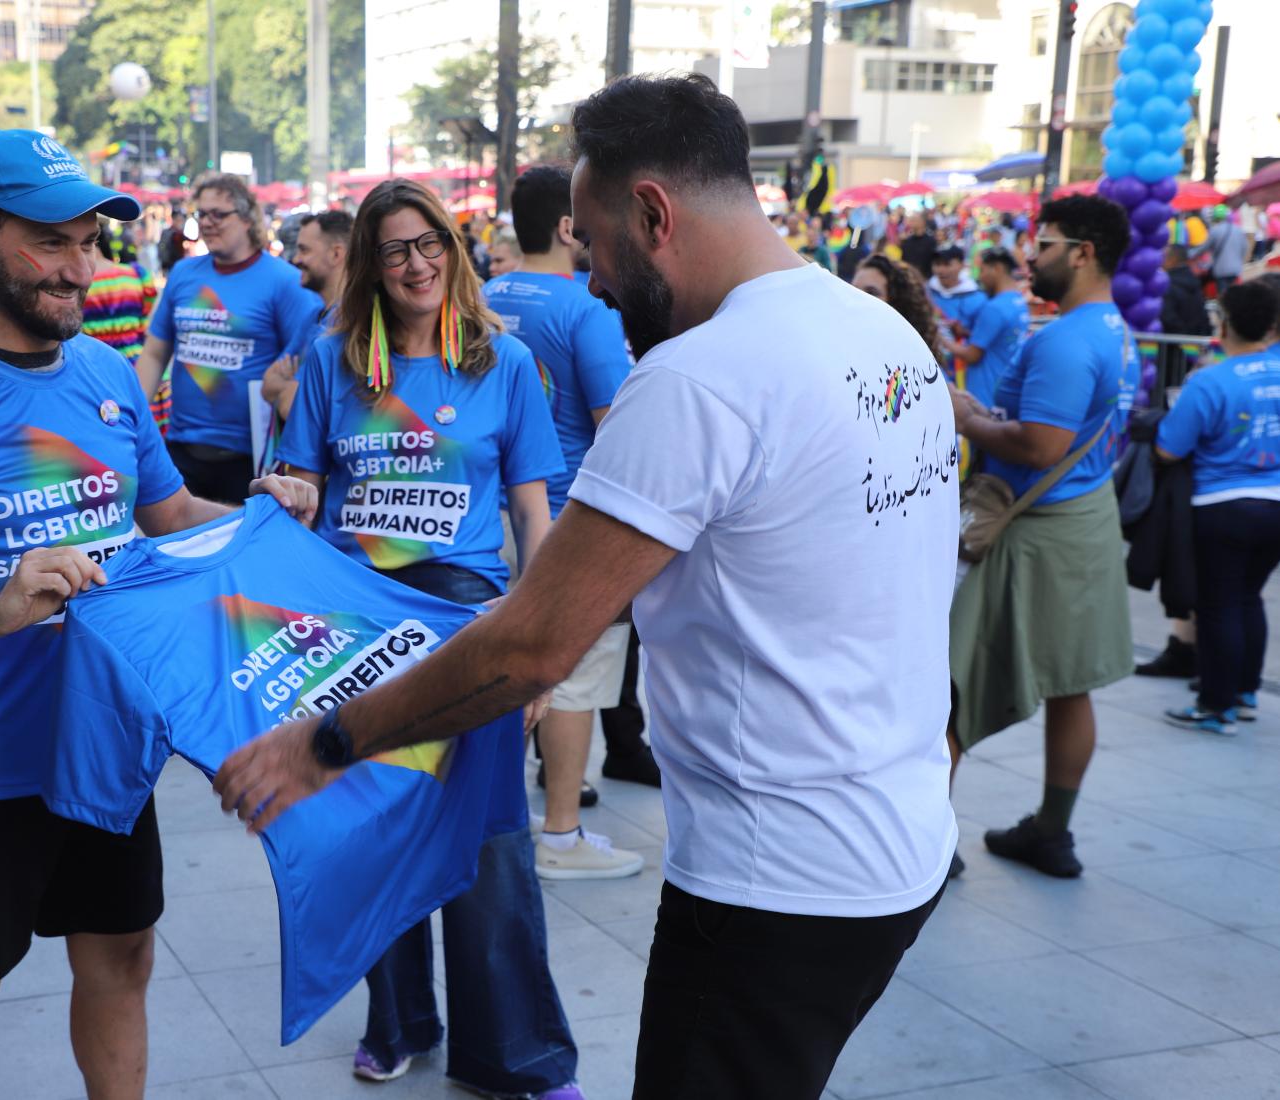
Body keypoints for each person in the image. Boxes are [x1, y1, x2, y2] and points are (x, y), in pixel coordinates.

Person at [216, 74, 957, 1100]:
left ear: (652, 212)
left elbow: (531, 645)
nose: (593, 278)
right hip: (902, 835)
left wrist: (328, 739)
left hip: (775, 877)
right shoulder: (884, 337)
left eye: (594, 242)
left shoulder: (700, 378)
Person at [0, 130, 316, 1100]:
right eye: (52, 242)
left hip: (105, 743)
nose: (80, 267)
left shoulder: (103, 375)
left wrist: (271, 510)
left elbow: (168, 514)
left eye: (90, 241)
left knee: (124, 959)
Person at [275, 178, 580, 1097]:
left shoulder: (505, 362)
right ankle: (400, 1021)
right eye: (395, 249)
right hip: (357, 627)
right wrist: (287, 497)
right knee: (383, 833)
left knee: (490, 845)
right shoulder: (332, 361)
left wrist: (535, 658)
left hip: (471, 628)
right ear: (369, 263)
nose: (416, 265)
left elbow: (534, 513)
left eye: (431, 244)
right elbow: (300, 484)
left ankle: (516, 1054)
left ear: (454, 248)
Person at [949, 195, 1140, 879]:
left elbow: (1038, 444)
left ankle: (924, 848)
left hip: (1035, 528)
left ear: (1083, 252)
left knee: (952, 682)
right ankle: (1051, 832)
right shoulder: (1117, 330)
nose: (1032, 256)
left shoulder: (1065, 339)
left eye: (1046, 242)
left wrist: (969, 421)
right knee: (1071, 685)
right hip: (1083, 516)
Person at [483, 164, 647, 879]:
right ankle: (560, 835)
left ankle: (494, 823)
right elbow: (619, 427)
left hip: (487, 516)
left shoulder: (481, 296)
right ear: (565, 226)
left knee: (496, 669)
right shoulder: (587, 310)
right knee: (575, 677)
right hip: (565, 520)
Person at [133, 173, 320, 500]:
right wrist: (130, 418)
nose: (207, 222)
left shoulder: (284, 281)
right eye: (201, 214)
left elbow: (307, 365)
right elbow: (154, 353)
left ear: (247, 219)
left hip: (250, 458)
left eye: (219, 214)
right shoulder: (183, 273)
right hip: (181, 449)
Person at [1155, 281, 1280, 734]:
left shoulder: (1209, 380)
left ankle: (1216, 705)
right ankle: (1246, 692)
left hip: (1222, 507)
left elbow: (1169, 448)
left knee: (1219, 605)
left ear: (1223, 322)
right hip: (1276, 505)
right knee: (1249, 597)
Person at [260, 209, 352, 421]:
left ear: (336, 254)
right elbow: (268, 384)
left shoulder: (351, 323)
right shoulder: (314, 317)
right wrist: (290, 390)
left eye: (304, 250)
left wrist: (287, 388)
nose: (295, 259)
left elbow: (297, 411)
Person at [82, 223, 161, 427]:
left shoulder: (77, 284)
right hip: (143, 372)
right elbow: (147, 323)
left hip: (95, 376)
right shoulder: (136, 275)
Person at [945, 247, 1028, 412]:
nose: (980, 277)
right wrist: (965, 333)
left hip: (984, 397)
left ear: (997, 268)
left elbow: (972, 355)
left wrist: (940, 339)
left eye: (982, 270)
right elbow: (1000, 339)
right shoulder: (1019, 301)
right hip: (1002, 391)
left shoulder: (994, 308)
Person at [852, 253, 946, 363]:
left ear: (898, 303)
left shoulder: (919, 365)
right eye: (852, 291)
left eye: (872, 292)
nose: (857, 298)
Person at [928, 244, 984, 335]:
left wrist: (963, 332)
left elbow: (984, 336)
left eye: (947, 264)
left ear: (962, 265)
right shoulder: (926, 291)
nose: (941, 270)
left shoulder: (978, 299)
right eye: (937, 264)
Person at [1159, 243, 1212, 337]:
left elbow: (1168, 318)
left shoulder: (1168, 284)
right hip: (1194, 342)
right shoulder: (1194, 281)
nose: (1161, 261)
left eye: (1163, 257)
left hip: (1175, 344)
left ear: (1172, 260)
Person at [1195, 205, 1251, 292]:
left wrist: (1188, 254)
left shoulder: (1215, 231)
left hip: (1221, 270)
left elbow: (1203, 248)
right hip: (1236, 269)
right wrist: (1239, 260)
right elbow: (1245, 248)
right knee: (1235, 294)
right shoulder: (1238, 230)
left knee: (1223, 296)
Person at [899, 210, 938, 279]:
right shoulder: (907, 241)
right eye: (911, 220)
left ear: (923, 222)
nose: (911, 222)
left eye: (915, 220)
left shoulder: (931, 241)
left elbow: (934, 262)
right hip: (910, 279)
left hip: (926, 279)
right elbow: (903, 261)